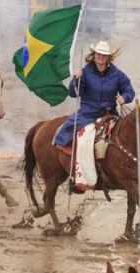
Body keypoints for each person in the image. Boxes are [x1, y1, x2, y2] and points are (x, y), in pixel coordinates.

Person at [52, 41, 134, 193]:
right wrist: (76, 80)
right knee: (84, 142)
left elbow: (129, 90)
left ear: (108, 57)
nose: (101, 57)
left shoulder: (117, 74)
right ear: (94, 55)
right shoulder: (85, 72)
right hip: (88, 115)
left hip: (110, 115)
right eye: (98, 54)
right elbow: (73, 93)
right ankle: (83, 180)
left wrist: (125, 97)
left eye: (104, 55)